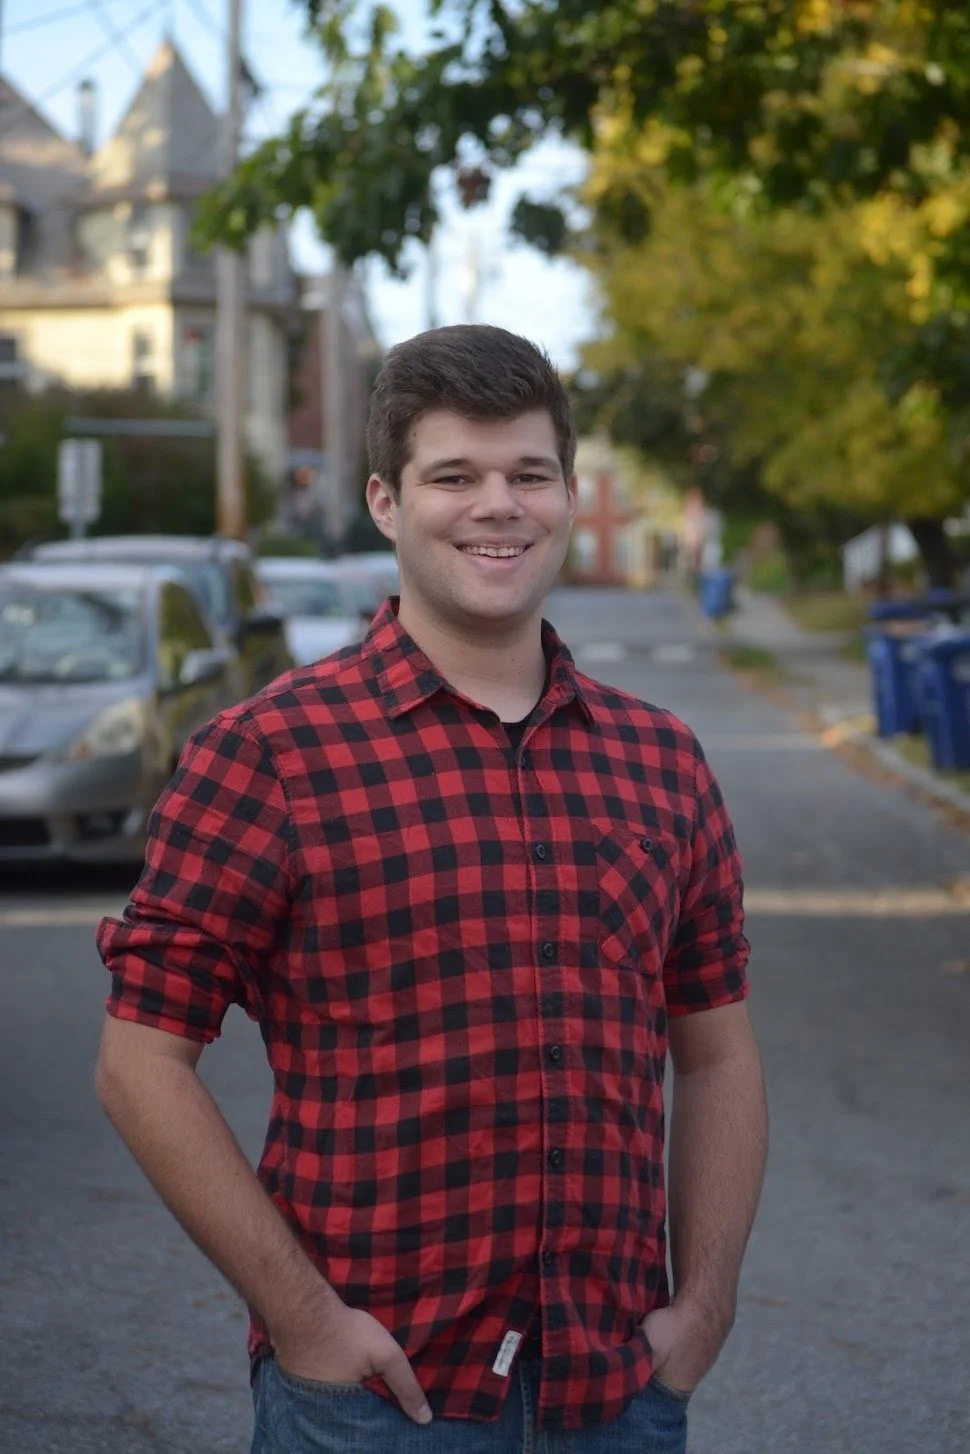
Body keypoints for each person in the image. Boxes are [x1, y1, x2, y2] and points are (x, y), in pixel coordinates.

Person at [95, 324, 768, 1454]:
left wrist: (702, 1305)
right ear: (384, 500)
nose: (496, 505)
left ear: (565, 490)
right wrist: (303, 1319)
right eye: (453, 475)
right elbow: (139, 1061)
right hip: (371, 1400)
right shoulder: (267, 755)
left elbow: (717, 1051)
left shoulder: (662, 761)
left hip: (615, 1393)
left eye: (528, 474)